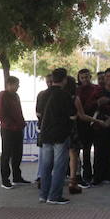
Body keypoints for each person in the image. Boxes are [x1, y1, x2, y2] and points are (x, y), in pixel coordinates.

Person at [37, 68, 75, 204]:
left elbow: (39, 114)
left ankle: (43, 194)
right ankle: (54, 196)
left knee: (46, 166)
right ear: (64, 79)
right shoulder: (64, 95)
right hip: (60, 134)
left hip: (45, 134)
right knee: (59, 166)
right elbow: (72, 115)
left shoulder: (43, 94)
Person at [0, 76, 28, 189]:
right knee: (6, 154)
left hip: (18, 129)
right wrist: (11, 124)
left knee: (18, 153)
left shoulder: (16, 96)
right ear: (9, 84)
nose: (18, 87)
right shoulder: (3, 95)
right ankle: (5, 180)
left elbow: (19, 111)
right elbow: (0, 114)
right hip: (8, 129)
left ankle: (17, 177)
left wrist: (22, 123)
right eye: (16, 84)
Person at [76, 68, 99, 186]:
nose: (85, 79)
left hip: (95, 122)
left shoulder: (96, 89)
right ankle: (86, 175)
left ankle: (96, 174)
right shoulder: (77, 90)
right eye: (82, 77)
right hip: (81, 123)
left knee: (95, 150)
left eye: (87, 77)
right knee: (84, 151)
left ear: (90, 77)